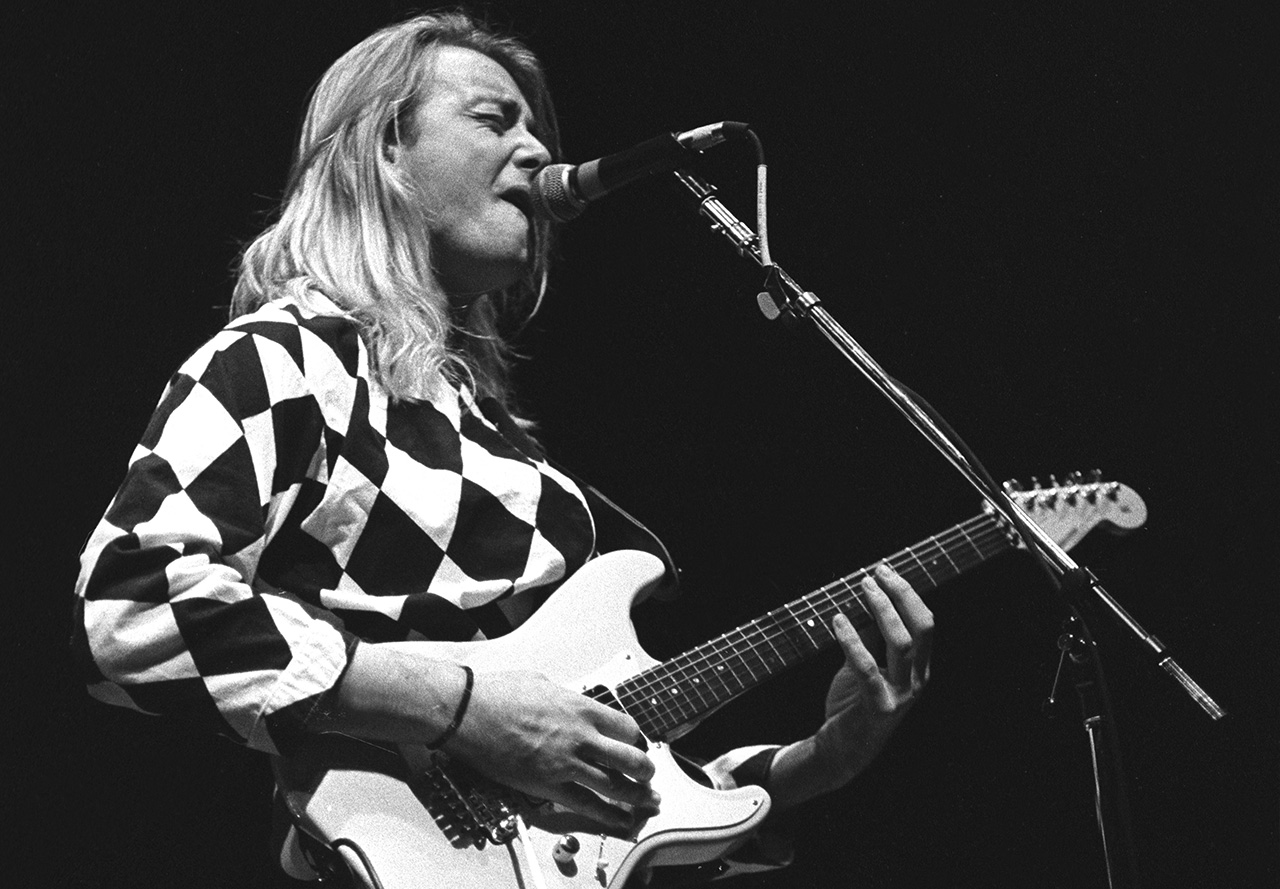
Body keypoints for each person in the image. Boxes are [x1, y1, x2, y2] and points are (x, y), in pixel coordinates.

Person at [72, 10, 933, 886]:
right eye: (493, 119)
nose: (535, 152)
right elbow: (131, 602)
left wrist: (816, 762)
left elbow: (584, 799)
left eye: (534, 127)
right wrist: (464, 710)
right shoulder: (284, 356)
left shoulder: (486, 429)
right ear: (384, 152)